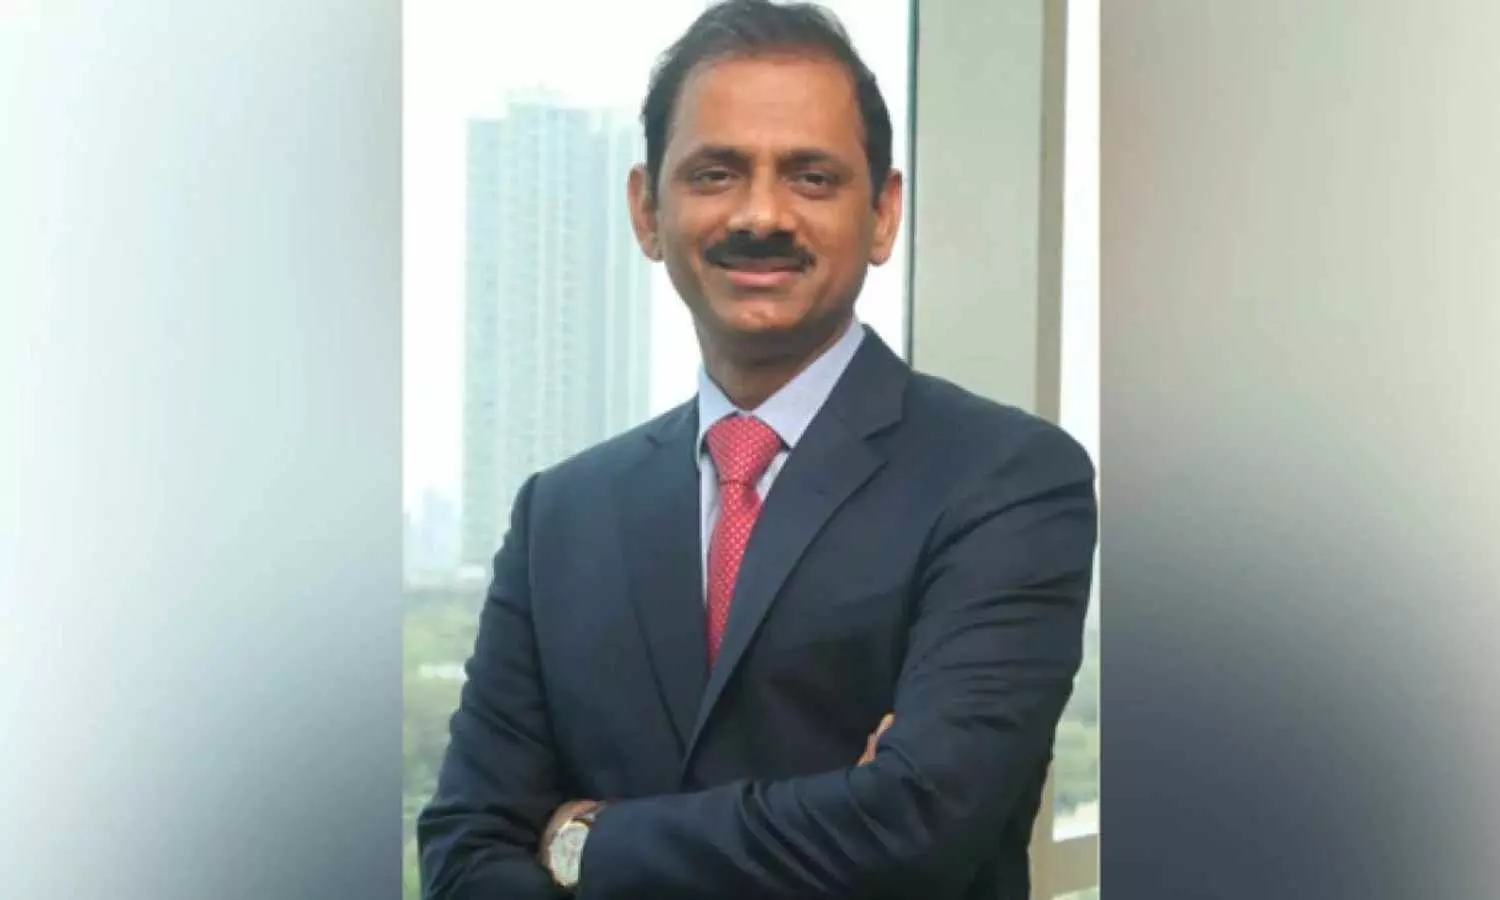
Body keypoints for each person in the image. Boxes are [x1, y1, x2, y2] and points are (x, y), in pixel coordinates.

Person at [417, 1, 1097, 897]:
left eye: (812, 177)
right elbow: (466, 849)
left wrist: (586, 840)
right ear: (646, 210)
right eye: (715, 173)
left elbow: (915, 823)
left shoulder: (1007, 480)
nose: (762, 214)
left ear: (883, 213)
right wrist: (836, 811)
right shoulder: (561, 515)